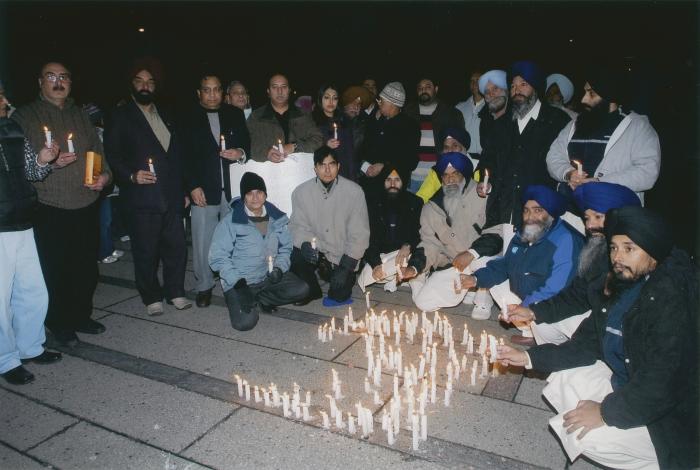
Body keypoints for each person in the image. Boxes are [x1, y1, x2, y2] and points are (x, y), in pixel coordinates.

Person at [497, 206, 699, 470]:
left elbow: (662, 383)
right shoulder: (623, 284)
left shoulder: (671, 300)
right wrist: (528, 357)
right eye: (614, 248)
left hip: (676, 415)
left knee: (589, 438)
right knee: (564, 378)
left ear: (654, 252)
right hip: (631, 380)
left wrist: (604, 413)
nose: (618, 257)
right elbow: (586, 342)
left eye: (629, 248)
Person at [13, 62, 112, 346]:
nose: (59, 82)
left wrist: (105, 176)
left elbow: (100, 153)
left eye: (64, 77)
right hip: (49, 205)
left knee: (85, 268)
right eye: (52, 77)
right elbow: (21, 165)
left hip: (86, 202)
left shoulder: (81, 115)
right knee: (55, 269)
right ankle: (59, 322)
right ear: (40, 81)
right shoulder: (25, 116)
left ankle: (81, 315)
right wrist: (50, 164)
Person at [503, 182, 641, 346]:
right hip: (591, 314)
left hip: (621, 334)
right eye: (587, 218)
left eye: (598, 217)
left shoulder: (636, 259)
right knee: (541, 320)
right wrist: (532, 311)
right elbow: (577, 294)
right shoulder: (596, 248)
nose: (589, 226)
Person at [104, 59, 191, 316]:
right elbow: (112, 155)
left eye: (150, 81)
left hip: (173, 195)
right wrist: (131, 176)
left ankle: (175, 291)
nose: (145, 85)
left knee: (176, 248)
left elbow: (178, 155)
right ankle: (151, 295)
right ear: (132, 85)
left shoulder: (166, 112)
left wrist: (184, 189)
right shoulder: (120, 115)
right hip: (142, 196)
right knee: (146, 250)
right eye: (140, 81)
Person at [0, 80, 62, 385]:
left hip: (23, 219)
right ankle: (5, 359)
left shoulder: (11, 128)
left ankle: (30, 346)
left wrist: (42, 159)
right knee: (0, 298)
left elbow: (31, 171)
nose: (4, 99)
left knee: (32, 289)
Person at [458, 185, 583, 334]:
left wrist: (527, 308)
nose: (530, 217)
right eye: (526, 210)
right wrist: (476, 279)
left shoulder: (565, 239)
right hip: (528, 294)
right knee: (482, 266)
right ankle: (527, 327)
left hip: (555, 304)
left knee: (544, 329)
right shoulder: (525, 232)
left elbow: (557, 286)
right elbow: (506, 264)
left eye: (538, 210)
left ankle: (539, 332)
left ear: (551, 213)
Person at [180, 74, 250, 308]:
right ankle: (204, 286)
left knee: (237, 238)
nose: (212, 95)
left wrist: (239, 152)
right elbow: (183, 156)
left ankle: (236, 282)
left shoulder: (234, 114)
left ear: (223, 92)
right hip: (203, 189)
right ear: (199, 93)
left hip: (232, 189)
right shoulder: (187, 117)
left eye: (217, 89)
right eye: (207, 90)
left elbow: (246, 144)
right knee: (202, 240)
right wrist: (191, 186)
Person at [209, 172, 309, 331]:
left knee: (302, 289)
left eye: (259, 193)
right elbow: (218, 257)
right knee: (244, 323)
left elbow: (285, 248)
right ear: (243, 197)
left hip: (266, 277)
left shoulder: (277, 218)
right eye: (249, 193)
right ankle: (243, 298)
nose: (255, 198)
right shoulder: (231, 221)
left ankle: (263, 299)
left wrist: (279, 268)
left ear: (265, 195)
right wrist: (238, 284)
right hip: (240, 282)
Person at [546, 69, 660, 205]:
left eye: (591, 94)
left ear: (609, 96)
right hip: (571, 210)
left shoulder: (637, 127)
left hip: (614, 214)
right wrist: (569, 173)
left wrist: (600, 182)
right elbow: (553, 156)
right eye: (585, 92)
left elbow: (647, 172)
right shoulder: (575, 124)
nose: (584, 99)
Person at [398, 153, 486, 315]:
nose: (450, 180)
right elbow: (429, 244)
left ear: (464, 175)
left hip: (480, 259)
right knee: (423, 303)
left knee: (486, 260)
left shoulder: (482, 195)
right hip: (455, 265)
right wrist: (414, 268)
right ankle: (418, 280)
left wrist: (471, 253)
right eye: (446, 175)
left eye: (455, 174)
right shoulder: (431, 208)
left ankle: (482, 296)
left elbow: (495, 234)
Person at [289, 146, 370, 306]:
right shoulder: (301, 192)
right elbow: (297, 226)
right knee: (295, 254)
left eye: (331, 164)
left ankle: (343, 277)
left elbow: (360, 235)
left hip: (341, 255)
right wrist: (305, 243)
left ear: (338, 166)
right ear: (315, 168)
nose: (327, 170)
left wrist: (346, 267)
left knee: (338, 295)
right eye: (322, 165)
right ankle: (312, 289)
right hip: (317, 250)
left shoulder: (354, 192)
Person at [357, 167, 422, 293]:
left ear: (403, 182)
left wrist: (408, 245)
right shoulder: (374, 203)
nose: (392, 184)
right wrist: (375, 264)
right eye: (388, 180)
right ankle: (395, 276)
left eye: (397, 180)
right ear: (383, 181)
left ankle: (406, 275)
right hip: (384, 255)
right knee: (367, 277)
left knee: (405, 259)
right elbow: (369, 237)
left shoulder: (415, 202)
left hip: (407, 253)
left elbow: (420, 233)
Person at [358, 82, 420, 199]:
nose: (378, 103)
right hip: (369, 188)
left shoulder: (410, 126)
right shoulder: (375, 121)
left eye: (382, 100)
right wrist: (365, 166)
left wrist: (384, 167)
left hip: (393, 190)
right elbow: (363, 149)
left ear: (393, 104)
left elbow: (411, 161)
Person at [405, 77, 465, 192]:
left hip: (440, 177)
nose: (423, 90)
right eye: (420, 88)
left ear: (436, 89)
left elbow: (461, 145)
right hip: (412, 177)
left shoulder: (451, 114)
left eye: (428, 87)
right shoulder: (408, 112)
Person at [246, 73, 323, 162]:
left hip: (300, 169)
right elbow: (248, 145)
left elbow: (318, 140)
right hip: (268, 171)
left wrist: (294, 146)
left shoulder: (302, 114)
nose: (279, 91)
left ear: (289, 90)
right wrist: (266, 153)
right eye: (274, 87)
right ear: (268, 91)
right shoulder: (256, 117)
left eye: (284, 87)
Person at [311, 84, 358, 181]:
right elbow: (308, 147)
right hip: (322, 173)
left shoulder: (345, 121)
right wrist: (325, 145)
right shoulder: (312, 122)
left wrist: (353, 179)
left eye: (335, 98)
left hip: (343, 172)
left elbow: (350, 153)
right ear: (320, 99)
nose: (331, 102)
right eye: (327, 97)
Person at [415, 126, 472, 203]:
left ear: (464, 148)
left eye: (455, 146)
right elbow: (421, 198)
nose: (450, 151)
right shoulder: (437, 171)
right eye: (446, 147)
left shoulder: (478, 170)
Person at [476, 69, 509, 152]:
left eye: (495, 88)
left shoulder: (518, 116)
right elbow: (487, 152)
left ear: (506, 90)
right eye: (487, 92)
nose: (491, 94)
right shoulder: (485, 120)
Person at [455, 70, 485, 157]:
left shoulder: (492, 107)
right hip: (462, 156)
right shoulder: (459, 107)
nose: (474, 83)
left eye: (478, 80)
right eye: (472, 81)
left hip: (483, 158)